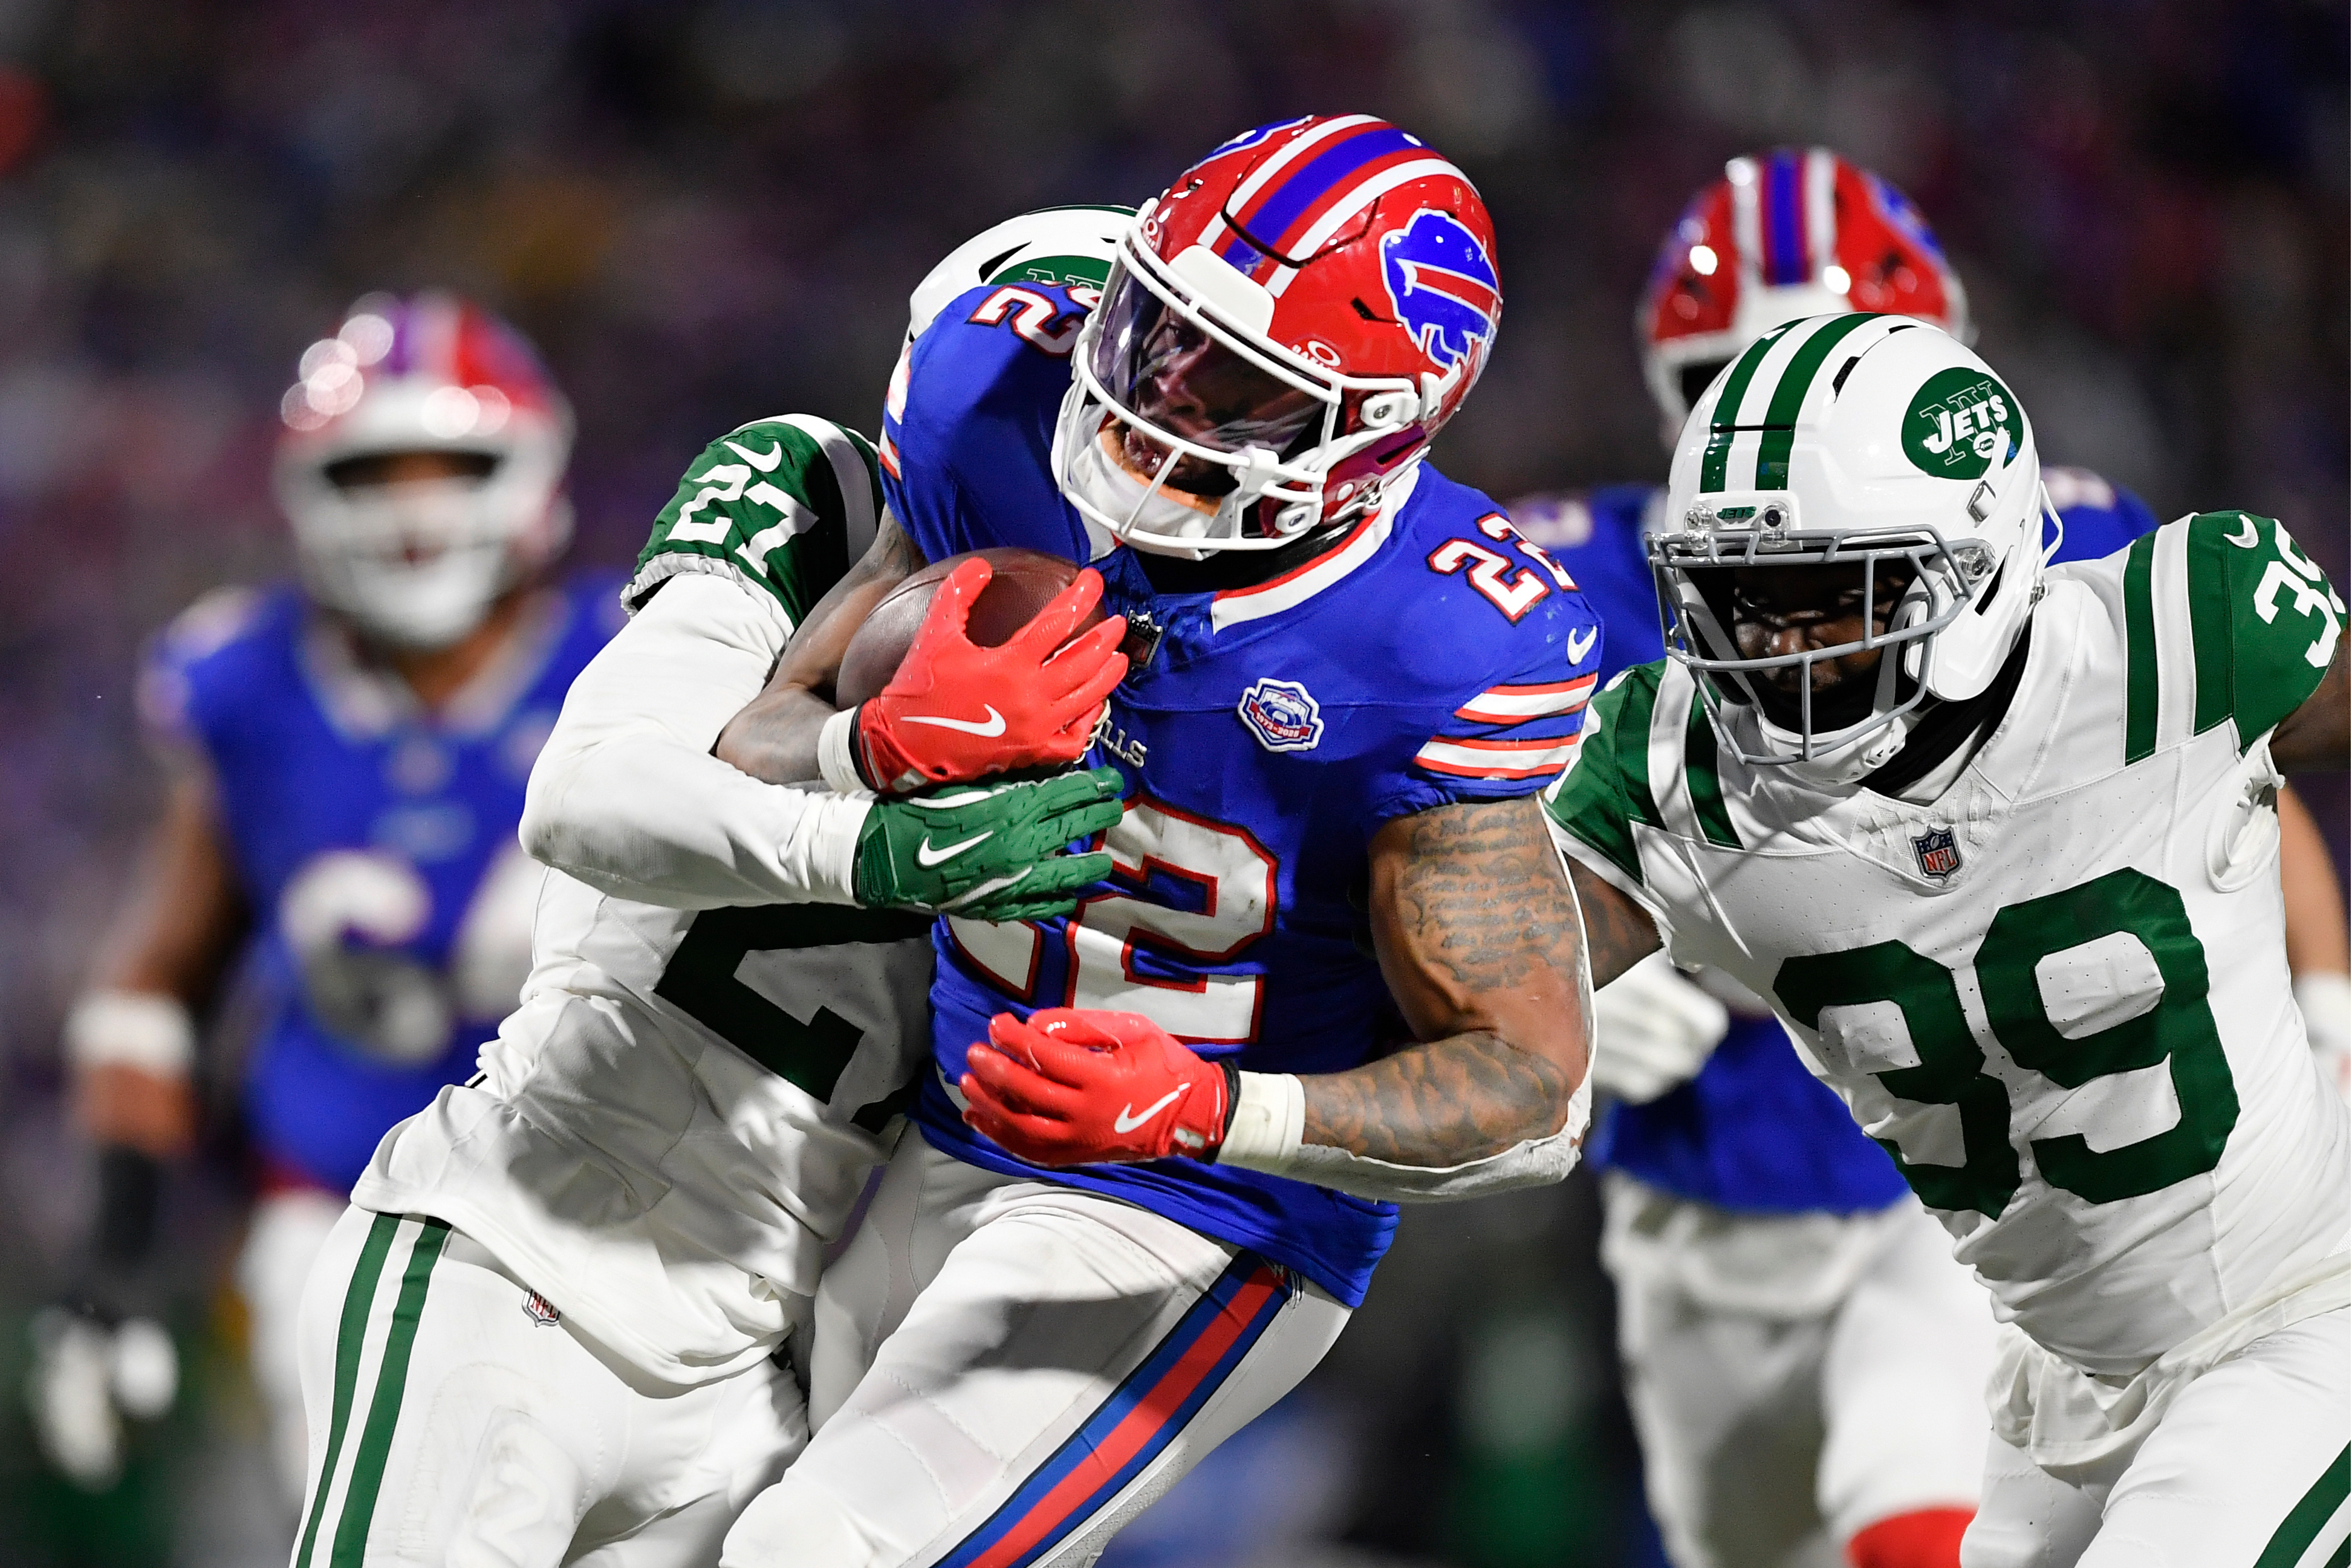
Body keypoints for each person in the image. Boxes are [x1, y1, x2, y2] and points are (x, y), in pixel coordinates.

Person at [704, 114, 1602, 1568]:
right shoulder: (991, 407)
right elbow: (756, 736)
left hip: (1200, 1212)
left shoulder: (1433, 644)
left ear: (1367, 432)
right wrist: (869, 741)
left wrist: (1207, 1112)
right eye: (1154, 330)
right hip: (942, 1117)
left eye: (1237, 386)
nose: (1154, 400)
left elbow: (1529, 1086)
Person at [1511, 147, 2352, 1568]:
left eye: (1824, 597)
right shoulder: (1658, 738)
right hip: (2011, 1325)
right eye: (1742, 603)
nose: (1771, 642)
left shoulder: (2143, 623)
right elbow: (1455, 959)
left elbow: (2244, 781)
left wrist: (2328, 1001)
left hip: (2263, 1304)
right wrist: (1547, 1007)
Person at [285, 346, 1130, 1567]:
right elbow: (585, 796)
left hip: (772, 1377)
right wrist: (867, 807)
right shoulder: (818, 498)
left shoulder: (1212, 655)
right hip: (525, 1264)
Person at [31, 293, 609, 1503]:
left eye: (451, 466)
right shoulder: (247, 686)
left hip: (619, 1205)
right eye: (374, 474)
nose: (414, 511)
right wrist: (115, 1257)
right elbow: (153, 990)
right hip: (344, 1216)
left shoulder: (640, 660)